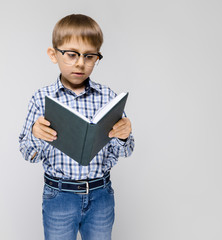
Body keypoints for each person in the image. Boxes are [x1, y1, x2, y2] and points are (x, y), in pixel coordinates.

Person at [19, 14, 135, 240]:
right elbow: (27, 153)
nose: (80, 63)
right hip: (59, 196)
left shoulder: (108, 98)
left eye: (89, 56)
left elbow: (126, 151)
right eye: (71, 54)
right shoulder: (41, 99)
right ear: (54, 55)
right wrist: (35, 134)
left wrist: (123, 136)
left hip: (101, 194)